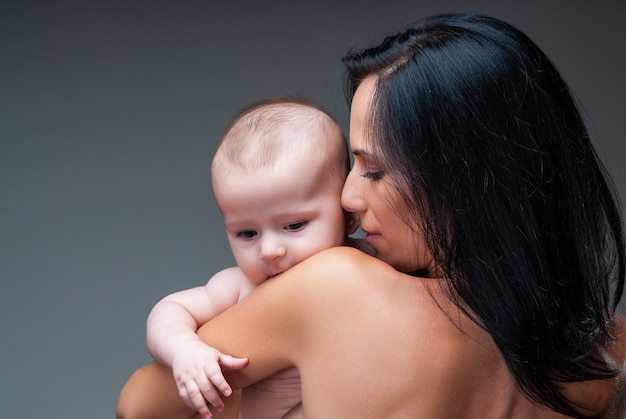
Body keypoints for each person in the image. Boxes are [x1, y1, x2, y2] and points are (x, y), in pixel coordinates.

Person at [117, 12, 626, 418]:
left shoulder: (336, 288)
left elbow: (138, 406)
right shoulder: (610, 349)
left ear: (462, 181)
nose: (349, 199)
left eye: (374, 171)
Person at [143, 97, 362, 419]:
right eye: (247, 234)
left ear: (349, 214)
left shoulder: (375, 268)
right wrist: (184, 351)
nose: (269, 250)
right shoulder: (240, 287)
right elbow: (170, 309)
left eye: (294, 225)